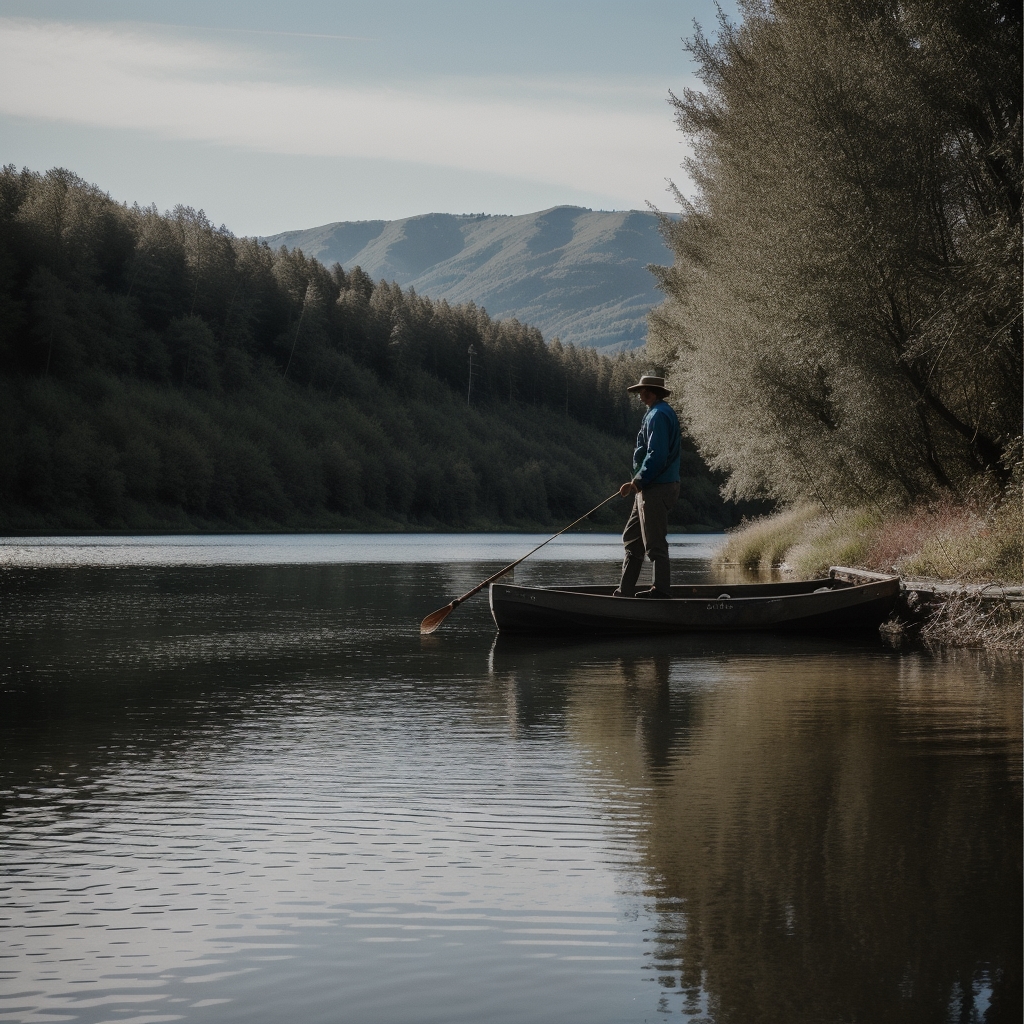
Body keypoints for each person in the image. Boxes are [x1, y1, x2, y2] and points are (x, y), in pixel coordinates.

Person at [614, 374, 681, 598]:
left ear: (655, 392)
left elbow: (657, 454)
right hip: (648, 487)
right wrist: (638, 484)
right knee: (632, 539)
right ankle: (624, 592)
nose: (641, 395)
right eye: (641, 391)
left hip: (655, 487)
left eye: (645, 391)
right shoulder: (655, 412)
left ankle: (660, 591)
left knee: (654, 543)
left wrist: (638, 480)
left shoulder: (659, 415)